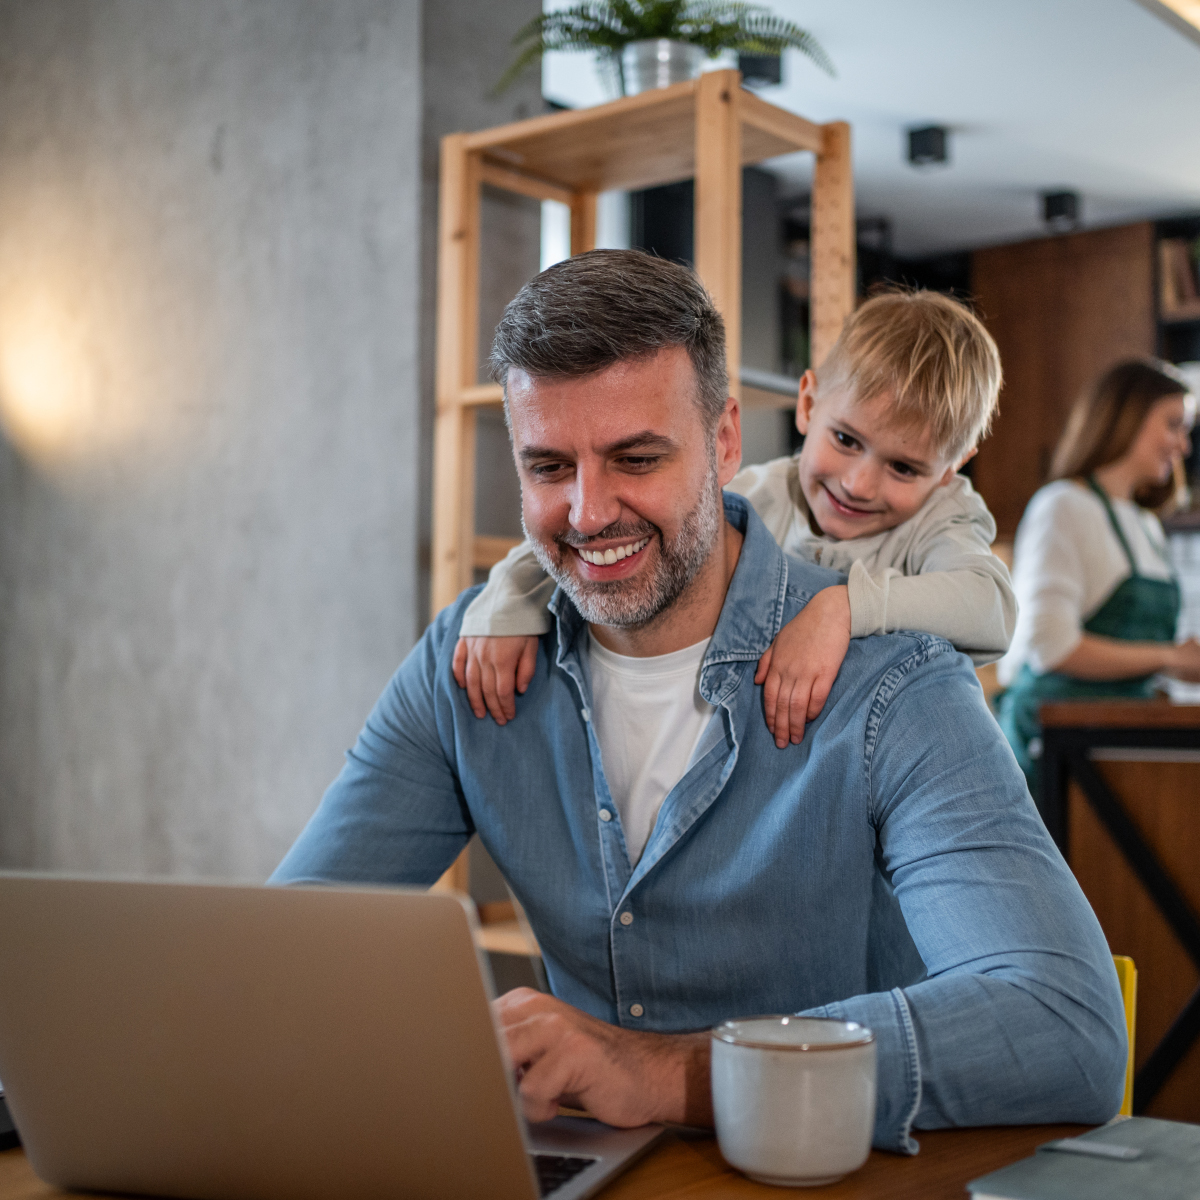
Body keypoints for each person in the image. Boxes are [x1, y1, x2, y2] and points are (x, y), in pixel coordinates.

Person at [271, 251, 1125, 1153]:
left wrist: (665, 1072)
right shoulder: (470, 662)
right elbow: (288, 956)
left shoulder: (896, 683)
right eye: (548, 466)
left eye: (636, 458)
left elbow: (1064, 1029)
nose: (588, 511)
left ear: (724, 440)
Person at [455, 288, 1015, 749]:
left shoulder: (946, 516)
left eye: (904, 467)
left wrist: (842, 607)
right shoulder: (764, 493)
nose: (857, 483)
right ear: (808, 403)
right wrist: (508, 598)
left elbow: (992, 609)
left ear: (951, 469)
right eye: (846, 440)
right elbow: (597, 536)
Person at [997, 358, 1200, 792]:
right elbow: (1052, 648)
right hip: (1053, 752)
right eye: (1173, 425)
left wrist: (1176, 667)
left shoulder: (1146, 524)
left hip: (1118, 745)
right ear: (1127, 418)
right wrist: (1167, 657)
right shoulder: (1063, 506)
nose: (1183, 446)